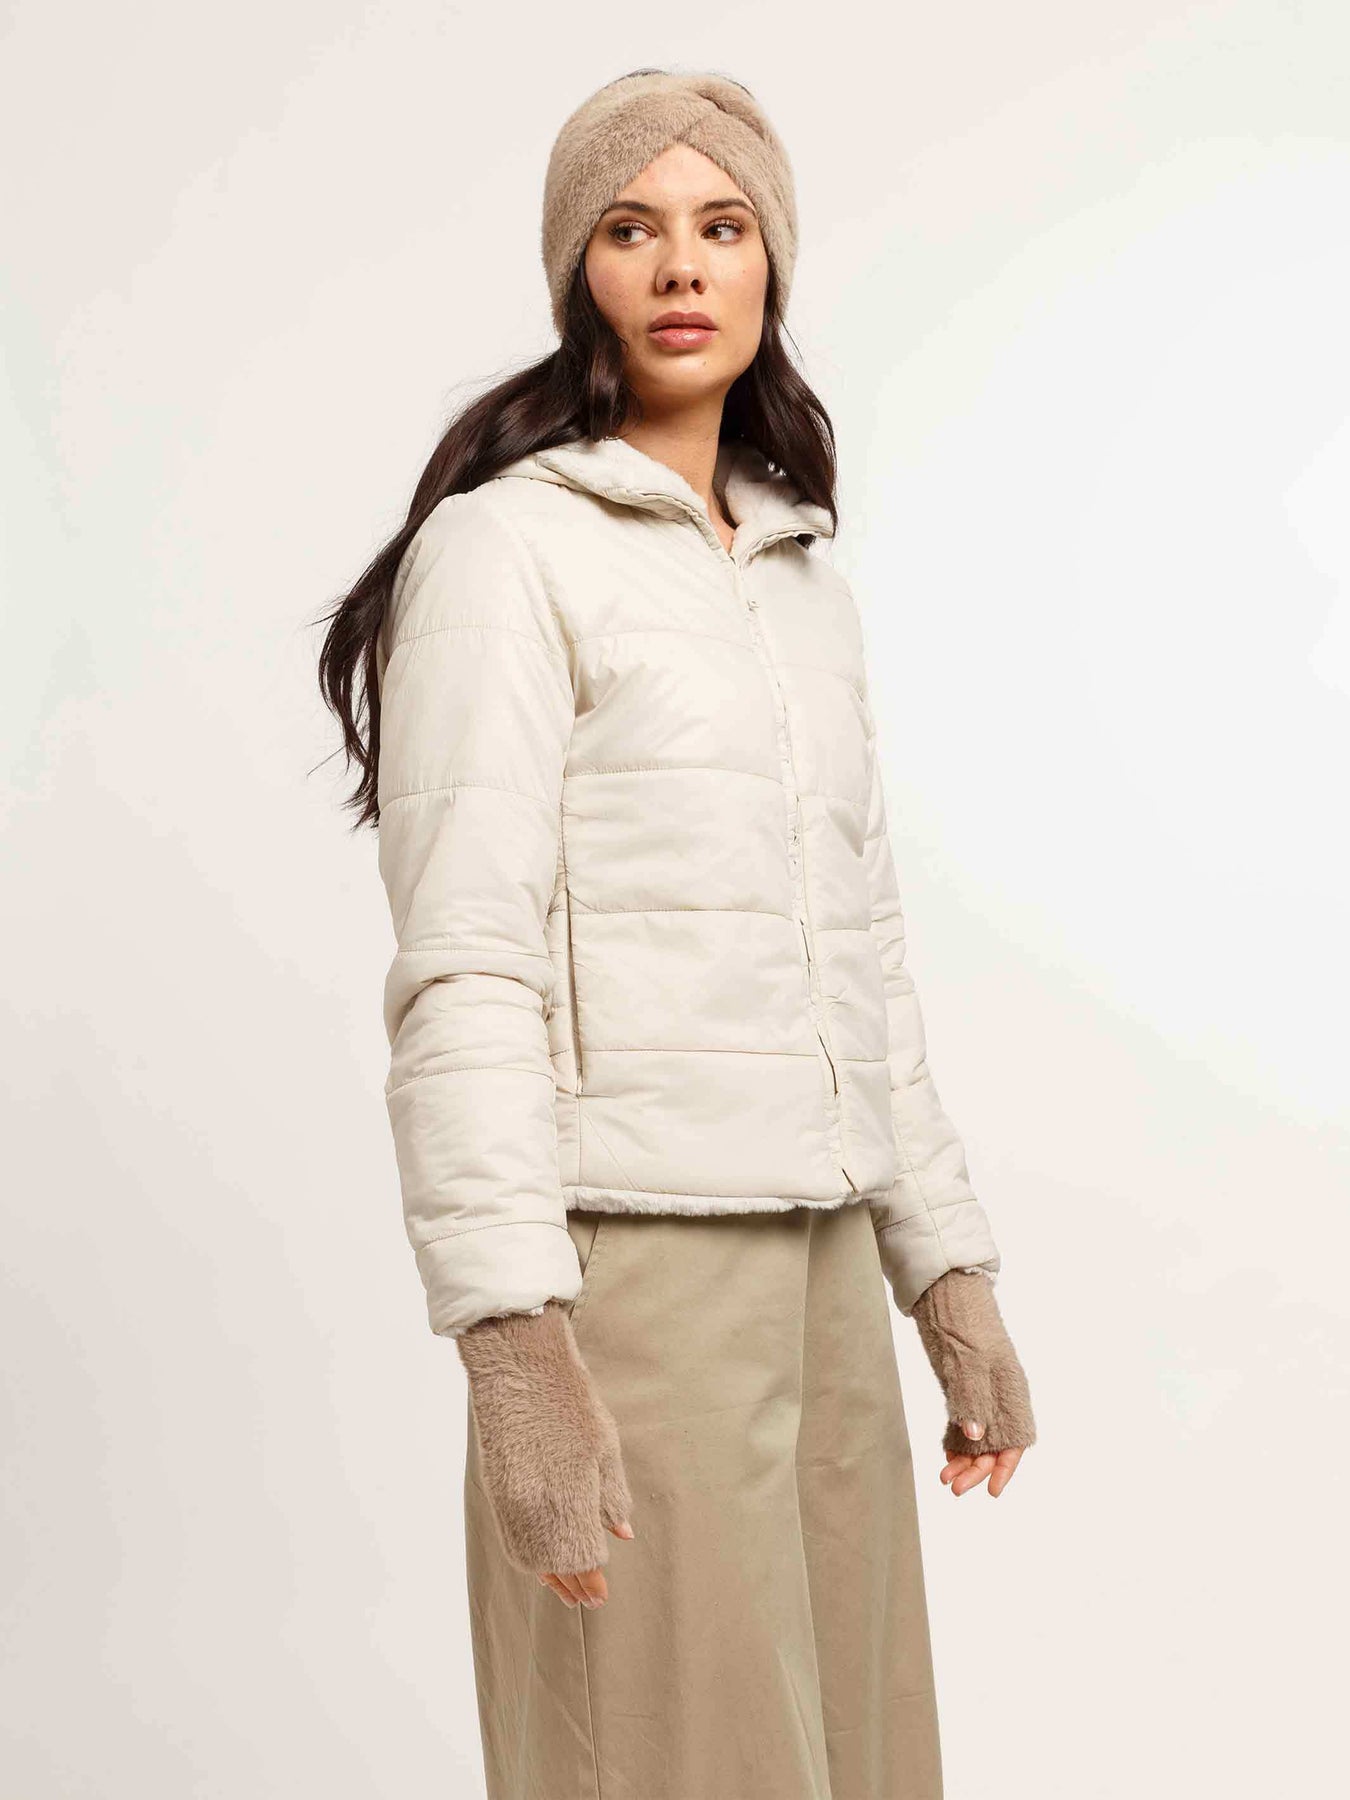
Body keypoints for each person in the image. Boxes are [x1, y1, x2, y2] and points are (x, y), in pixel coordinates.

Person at [318, 65, 1036, 1800]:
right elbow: (464, 963)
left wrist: (944, 1276)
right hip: (632, 1270)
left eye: (721, 227)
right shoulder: (504, 552)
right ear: (579, 270)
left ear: (771, 260)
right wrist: (512, 1343)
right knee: (671, 1762)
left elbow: (859, 958)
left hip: (821, 1259)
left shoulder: (800, 580)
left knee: (861, 1758)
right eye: (630, 230)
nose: (681, 266)